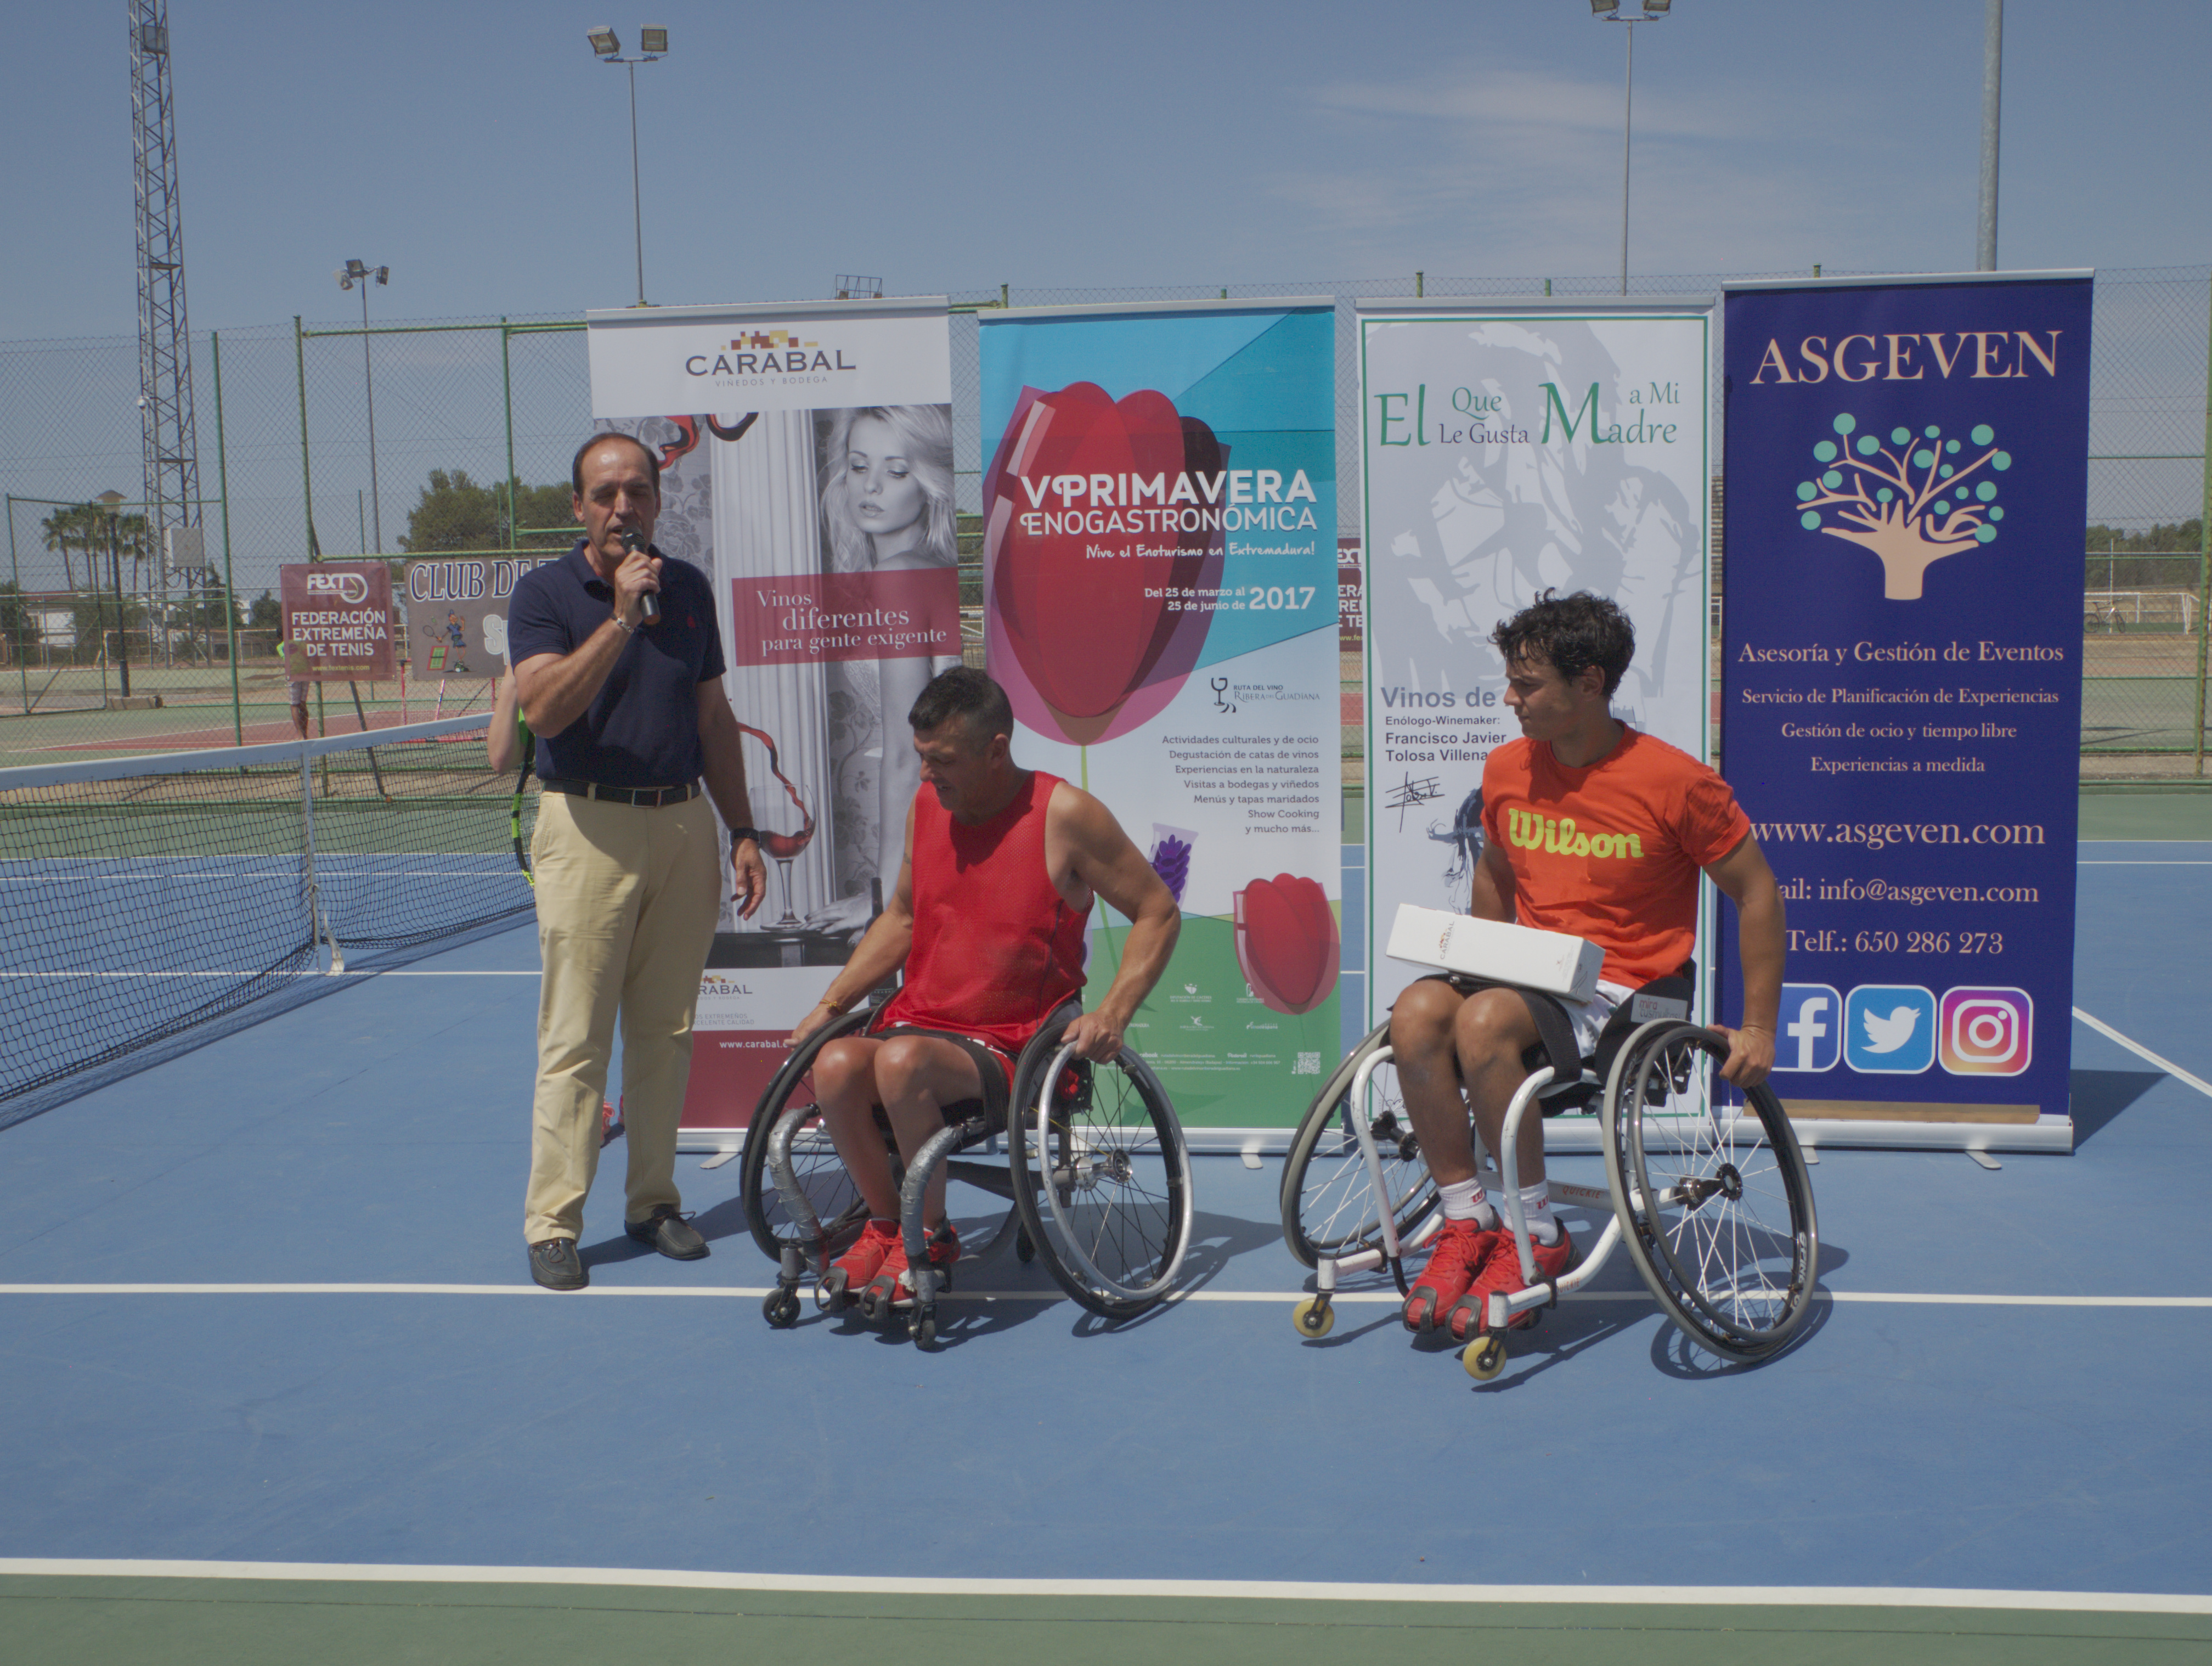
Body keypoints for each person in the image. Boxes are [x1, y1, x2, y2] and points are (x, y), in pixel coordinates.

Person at [1391, 591, 1785, 1341]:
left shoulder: (1676, 782)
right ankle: (1466, 1217)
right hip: (1531, 973)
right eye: (1511, 682)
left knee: (1483, 1022)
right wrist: (1480, 957)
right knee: (1415, 1013)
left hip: (1630, 991)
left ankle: (1537, 1232)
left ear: (1591, 684)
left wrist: (1759, 1027)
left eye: (1527, 685)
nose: (1510, 699)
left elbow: (1757, 891)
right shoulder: (1507, 767)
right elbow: (1496, 869)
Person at [786, 667, 1180, 1308]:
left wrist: (1114, 1012)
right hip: (920, 1023)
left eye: (941, 759)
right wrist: (831, 1005)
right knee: (832, 1064)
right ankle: (886, 1225)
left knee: (900, 1062)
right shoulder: (926, 807)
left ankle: (931, 1235)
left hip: (1014, 1043)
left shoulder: (1065, 815)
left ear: (996, 750)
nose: (925, 774)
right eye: (921, 756)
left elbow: (1158, 911)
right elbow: (903, 918)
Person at [506, 430, 770, 1292]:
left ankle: (653, 1203)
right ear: (579, 507)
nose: (624, 508)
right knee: (576, 1038)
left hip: (683, 824)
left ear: (658, 501)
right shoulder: (544, 595)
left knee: (667, 1032)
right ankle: (554, 1222)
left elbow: (713, 717)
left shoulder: (687, 589)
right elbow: (544, 712)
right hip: (586, 827)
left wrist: (742, 828)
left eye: (639, 493)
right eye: (606, 494)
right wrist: (620, 618)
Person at [818, 404, 962, 909]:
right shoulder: (933, 569)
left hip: (944, 827)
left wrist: (884, 899)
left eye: (896, 471)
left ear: (929, 483)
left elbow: (907, 752)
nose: (871, 486)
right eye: (859, 466)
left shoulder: (900, 575)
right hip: (956, 816)